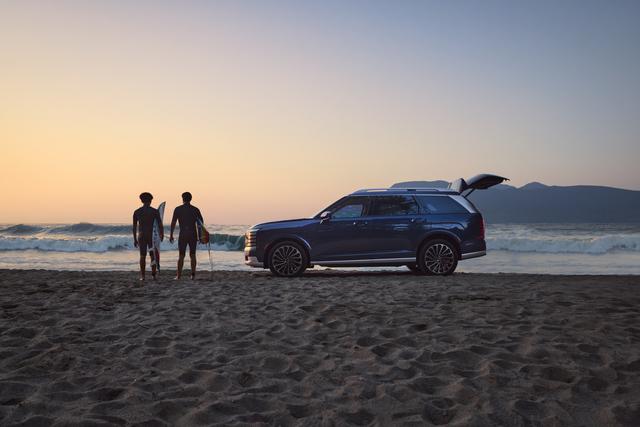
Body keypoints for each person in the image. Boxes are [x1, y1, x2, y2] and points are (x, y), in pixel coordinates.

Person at [170, 192, 203, 280]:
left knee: (181, 255)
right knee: (193, 254)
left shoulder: (178, 209)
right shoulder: (195, 209)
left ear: (182, 199)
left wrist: (171, 235)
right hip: (193, 234)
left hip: (183, 234)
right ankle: (193, 275)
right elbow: (200, 224)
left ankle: (178, 276)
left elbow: (173, 223)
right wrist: (200, 236)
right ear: (190, 199)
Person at [132, 192, 163, 281]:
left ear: (141, 200)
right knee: (152, 255)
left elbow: (134, 227)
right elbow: (160, 224)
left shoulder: (137, 212)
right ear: (150, 200)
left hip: (141, 235)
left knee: (142, 256)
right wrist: (161, 234)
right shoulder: (154, 211)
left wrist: (135, 239)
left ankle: (143, 276)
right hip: (151, 236)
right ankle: (153, 275)